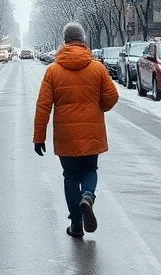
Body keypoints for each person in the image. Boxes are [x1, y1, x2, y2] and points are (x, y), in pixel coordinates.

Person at [33, 21, 119, 238]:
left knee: (70, 176)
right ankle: (88, 197)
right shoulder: (97, 68)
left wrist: (39, 137)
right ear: (83, 40)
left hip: (66, 135)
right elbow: (112, 97)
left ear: (64, 41)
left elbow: (43, 106)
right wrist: (98, 108)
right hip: (92, 131)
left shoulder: (53, 71)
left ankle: (76, 224)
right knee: (90, 170)